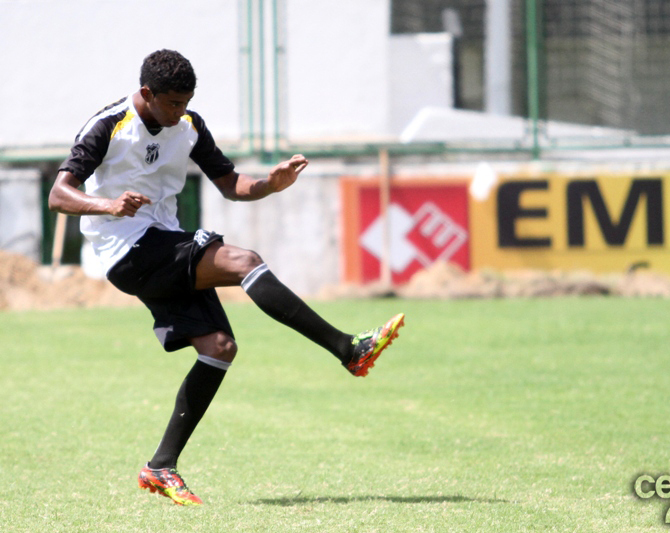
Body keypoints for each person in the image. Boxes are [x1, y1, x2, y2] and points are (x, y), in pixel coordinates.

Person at [48, 49, 404, 506]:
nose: (180, 113)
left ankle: (160, 467)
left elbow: (231, 185)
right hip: (125, 248)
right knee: (242, 260)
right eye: (172, 104)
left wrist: (269, 186)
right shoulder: (108, 125)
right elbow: (60, 194)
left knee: (219, 348)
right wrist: (109, 205)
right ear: (146, 94)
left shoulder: (190, 125)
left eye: (186, 102)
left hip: (161, 241)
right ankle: (349, 350)